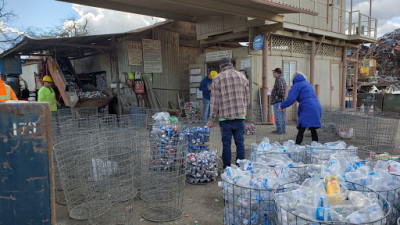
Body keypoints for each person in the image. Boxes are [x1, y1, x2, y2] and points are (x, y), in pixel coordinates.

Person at [207, 58, 250, 169]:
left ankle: (227, 168)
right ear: (231, 64)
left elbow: (214, 101)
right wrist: (243, 111)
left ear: (221, 66)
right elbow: (247, 98)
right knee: (240, 143)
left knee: (226, 144)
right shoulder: (242, 77)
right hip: (240, 117)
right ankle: (240, 167)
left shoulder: (217, 78)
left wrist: (211, 119)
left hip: (225, 119)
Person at [278, 72, 321, 145]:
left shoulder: (297, 85)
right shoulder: (307, 84)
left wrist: (282, 106)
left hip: (307, 107)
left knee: (301, 127)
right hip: (316, 105)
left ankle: (297, 146)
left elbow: (290, 99)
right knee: (313, 128)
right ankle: (315, 146)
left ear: (294, 78)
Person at [270, 68, 286, 134]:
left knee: (278, 116)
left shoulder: (279, 80)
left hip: (278, 101)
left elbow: (281, 89)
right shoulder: (282, 79)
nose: (273, 74)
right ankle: (282, 130)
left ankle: (279, 130)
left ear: (277, 73)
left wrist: (277, 96)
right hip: (281, 101)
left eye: (274, 73)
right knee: (282, 116)